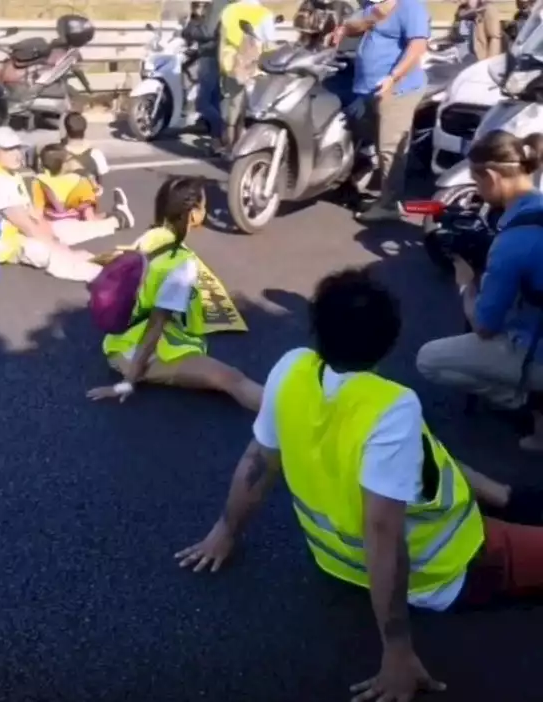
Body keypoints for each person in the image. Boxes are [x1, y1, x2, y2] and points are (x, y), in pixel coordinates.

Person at [177, 268, 543, 701]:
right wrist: (397, 650)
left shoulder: (292, 369)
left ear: (317, 329)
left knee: (432, 459)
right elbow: (383, 532)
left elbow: (258, 460)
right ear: (390, 340)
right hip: (448, 564)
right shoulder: (391, 407)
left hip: (336, 560)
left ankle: (507, 498)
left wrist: (225, 530)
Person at [86, 176, 263, 410]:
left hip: (118, 342)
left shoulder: (150, 238)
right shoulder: (181, 262)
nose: (205, 211)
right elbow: (156, 326)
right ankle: (289, 417)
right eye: (203, 206)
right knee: (231, 378)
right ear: (193, 214)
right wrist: (128, 383)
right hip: (138, 355)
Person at [416, 131, 543, 451]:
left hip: (535, 350)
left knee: (428, 359)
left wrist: (464, 281)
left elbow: (484, 327)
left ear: (490, 176)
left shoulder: (512, 242)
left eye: (477, 183)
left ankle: (523, 397)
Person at [332, 0, 431, 223]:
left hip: (397, 89)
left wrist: (393, 77)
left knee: (390, 148)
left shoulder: (410, 6)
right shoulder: (374, 6)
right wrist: (344, 28)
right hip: (367, 89)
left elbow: (417, 46)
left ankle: (389, 204)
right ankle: (367, 183)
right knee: (369, 138)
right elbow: (357, 25)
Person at [0, 126, 102, 282]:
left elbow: (33, 214)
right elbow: (26, 225)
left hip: (13, 231)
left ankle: (96, 252)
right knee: (43, 251)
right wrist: (65, 252)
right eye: (9, 150)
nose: (17, 154)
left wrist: (55, 239)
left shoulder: (10, 174)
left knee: (58, 232)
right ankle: (97, 275)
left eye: (18, 148)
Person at [218, 0, 278, 151]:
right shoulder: (264, 14)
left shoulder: (229, 10)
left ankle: (229, 146)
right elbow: (269, 44)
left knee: (233, 105)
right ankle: (241, 146)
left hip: (231, 61)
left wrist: (221, 63)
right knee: (249, 108)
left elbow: (221, 38)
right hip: (254, 64)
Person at [182, 0, 225, 147]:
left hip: (210, 56)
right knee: (214, 101)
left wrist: (189, 29)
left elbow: (207, 32)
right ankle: (216, 140)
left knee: (203, 103)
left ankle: (222, 132)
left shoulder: (218, 4)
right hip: (220, 55)